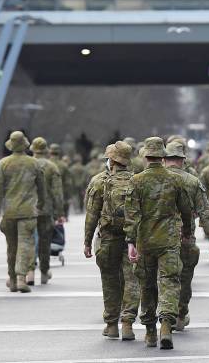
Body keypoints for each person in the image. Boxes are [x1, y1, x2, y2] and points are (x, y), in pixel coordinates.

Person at [124, 137, 193, 350]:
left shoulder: (136, 181)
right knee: (170, 282)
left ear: (145, 156)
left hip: (145, 241)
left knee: (147, 285)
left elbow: (132, 215)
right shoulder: (176, 180)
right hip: (169, 240)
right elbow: (186, 210)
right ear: (163, 156)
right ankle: (166, 325)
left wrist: (131, 242)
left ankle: (150, 332)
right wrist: (187, 232)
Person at [84, 142, 140, 341]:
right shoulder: (137, 181)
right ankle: (127, 324)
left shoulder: (99, 181)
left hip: (108, 239)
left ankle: (111, 324)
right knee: (132, 281)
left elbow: (91, 214)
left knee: (109, 281)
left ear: (112, 160)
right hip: (133, 239)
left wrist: (87, 241)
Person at [164, 141, 209, 330]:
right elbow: (205, 211)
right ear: (182, 160)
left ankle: (163, 316)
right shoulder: (192, 180)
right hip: (185, 236)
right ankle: (180, 314)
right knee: (185, 278)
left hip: (158, 237)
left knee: (162, 278)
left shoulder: (153, 178)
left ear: (164, 158)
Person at [0, 131, 45, 293]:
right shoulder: (34, 163)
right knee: (25, 244)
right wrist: (40, 204)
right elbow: (42, 189)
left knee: (11, 246)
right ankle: (21, 277)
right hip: (28, 211)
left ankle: (12, 280)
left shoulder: (4, 164)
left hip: (9, 212)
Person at [28, 137, 65, 286]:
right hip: (46, 210)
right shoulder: (51, 167)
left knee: (29, 241)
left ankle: (29, 271)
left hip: (28, 209)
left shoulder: (27, 164)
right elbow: (57, 193)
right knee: (45, 242)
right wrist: (59, 213)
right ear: (46, 150)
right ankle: (44, 272)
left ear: (32, 149)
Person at [49, 144, 73, 218]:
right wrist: (68, 196)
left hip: (48, 196)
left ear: (50, 152)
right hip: (60, 195)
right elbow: (68, 183)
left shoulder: (46, 164)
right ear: (59, 152)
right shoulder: (64, 165)